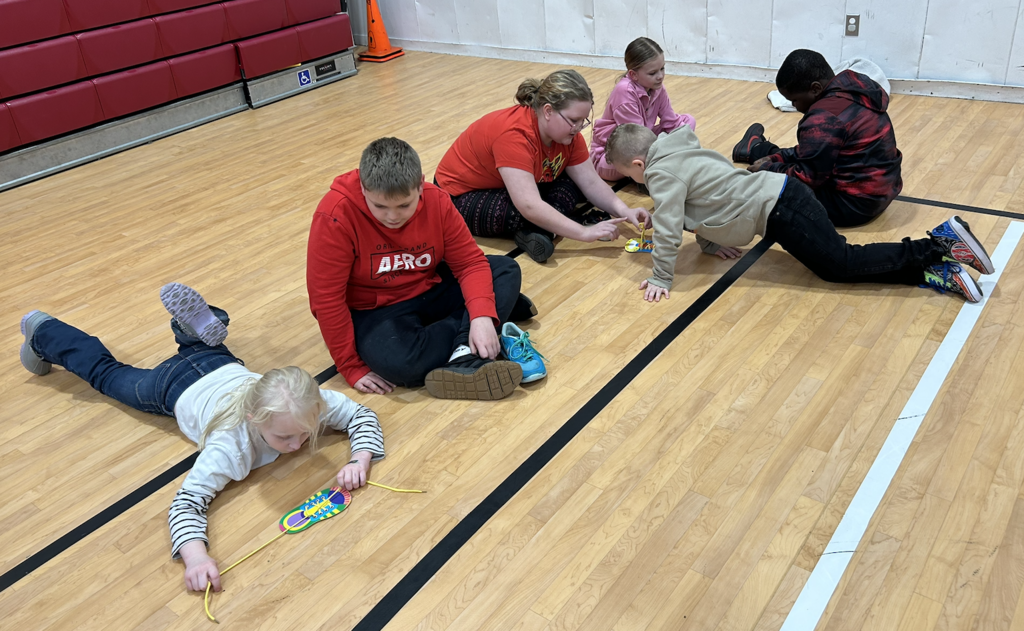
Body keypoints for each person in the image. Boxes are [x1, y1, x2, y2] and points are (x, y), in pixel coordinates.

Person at [18, 283, 385, 593]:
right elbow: (186, 503)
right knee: (107, 374)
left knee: (205, 348)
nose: (298, 445)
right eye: (285, 437)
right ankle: (42, 331)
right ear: (252, 418)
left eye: (307, 433)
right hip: (168, 387)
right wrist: (195, 557)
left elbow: (361, 415)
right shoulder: (230, 445)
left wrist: (360, 458)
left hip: (219, 364)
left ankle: (195, 329)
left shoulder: (307, 401)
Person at [607, 123, 993, 304]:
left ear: (640, 164)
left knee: (840, 264)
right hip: (782, 197)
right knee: (837, 264)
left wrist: (661, 276)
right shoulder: (679, 150)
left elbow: (672, 222)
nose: (639, 183)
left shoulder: (660, 172)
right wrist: (711, 241)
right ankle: (935, 269)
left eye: (630, 176)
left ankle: (938, 243)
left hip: (780, 210)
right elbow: (709, 194)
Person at [308, 137, 542, 400]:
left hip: (431, 287)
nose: (393, 216)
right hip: (378, 310)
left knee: (505, 269)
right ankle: (494, 316)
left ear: (420, 184)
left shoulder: (437, 200)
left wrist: (481, 316)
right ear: (363, 188)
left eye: (404, 205)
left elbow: (469, 263)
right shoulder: (335, 214)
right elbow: (326, 299)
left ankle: (465, 349)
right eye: (380, 206)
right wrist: (350, 366)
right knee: (401, 365)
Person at [434, 69, 650, 263]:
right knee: (525, 211)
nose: (578, 128)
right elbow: (528, 205)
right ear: (547, 111)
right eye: (573, 120)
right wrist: (583, 232)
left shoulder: (567, 135)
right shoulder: (515, 135)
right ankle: (542, 227)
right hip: (459, 196)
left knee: (573, 186)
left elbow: (591, 182)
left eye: (583, 121)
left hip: (506, 186)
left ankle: (540, 230)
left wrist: (624, 210)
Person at [732, 49, 903, 227]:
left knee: (762, 191)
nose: (793, 106)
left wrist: (768, 169)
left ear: (815, 88)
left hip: (852, 206)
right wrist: (776, 159)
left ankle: (755, 150)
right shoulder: (855, 88)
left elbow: (806, 178)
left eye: (795, 100)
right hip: (884, 191)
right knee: (792, 158)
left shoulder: (823, 117)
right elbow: (820, 151)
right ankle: (755, 148)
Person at [590, 37, 696, 181]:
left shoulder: (658, 88)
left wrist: (689, 143)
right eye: (653, 73)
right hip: (612, 157)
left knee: (688, 121)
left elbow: (671, 122)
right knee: (647, 155)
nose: (660, 76)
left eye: (662, 69)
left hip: (644, 141)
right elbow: (636, 143)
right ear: (633, 74)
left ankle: (659, 166)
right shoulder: (624, 92)